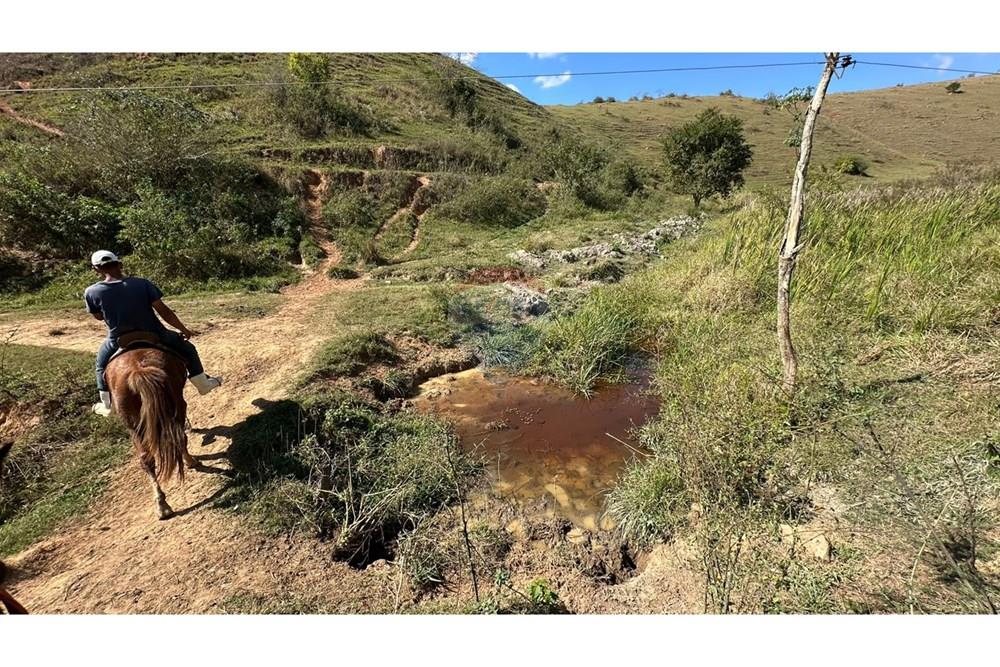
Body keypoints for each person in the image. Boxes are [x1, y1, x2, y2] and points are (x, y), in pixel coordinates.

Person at [84, 250, 222, 416]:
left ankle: (107, 404)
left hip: (118, 339)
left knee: (100, 366)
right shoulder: (142, 283)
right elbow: (164, 311)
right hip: (155, 333)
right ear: (120, 265)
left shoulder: (92, 292)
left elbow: (98, 317)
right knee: (188, 349)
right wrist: (183, 329)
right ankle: (203, 384)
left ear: (96, 269)